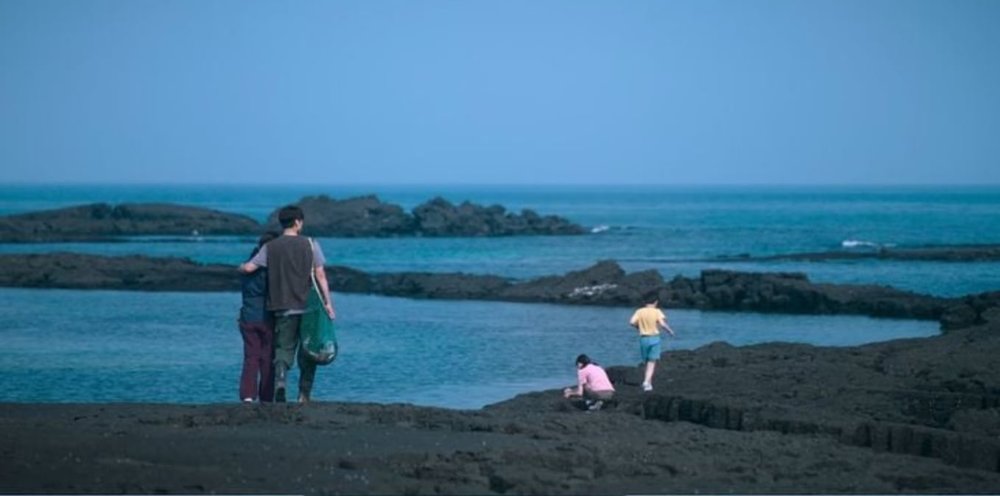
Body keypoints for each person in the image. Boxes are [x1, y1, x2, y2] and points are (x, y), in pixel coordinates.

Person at [239, 205, 335, 403]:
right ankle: (303, 395)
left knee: (284, 347)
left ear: (282, 223)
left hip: (281, 306)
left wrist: (239, 267)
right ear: (298, 222)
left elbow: (250, 268)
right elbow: (320, 275)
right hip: (309, 307)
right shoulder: (310, 244)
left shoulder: (270, 247)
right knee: (309, 350)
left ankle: (281, 379)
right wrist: (328, 303)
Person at [237, 231, 279, 403]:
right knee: (268, 358)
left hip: (247, 315)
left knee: (250, 357)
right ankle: (266, 396)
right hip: (266, 317)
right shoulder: (270, 271)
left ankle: (247, 395)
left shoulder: (246, 269)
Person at [629, 295, 675, 392]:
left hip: (643, 338)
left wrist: (638, 328)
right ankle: (646, 382)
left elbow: (632, 322)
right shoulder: (657, 311)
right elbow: (662, 324)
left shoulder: (639, 311)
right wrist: (670, 331)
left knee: (647, 361)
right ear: (655, 302)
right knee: (652, 362)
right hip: (654, 338)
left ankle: (648, 384)